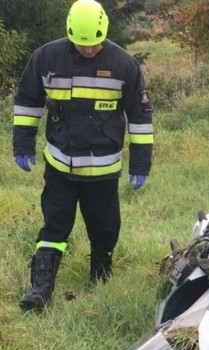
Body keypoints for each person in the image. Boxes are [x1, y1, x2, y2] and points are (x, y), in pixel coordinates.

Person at [13, 0, 154, 310]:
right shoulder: (46, 57)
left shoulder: (124, 65)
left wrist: (141, 163)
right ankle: (40, 290)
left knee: (104, 229)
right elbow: (27, 102)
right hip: (59, 165)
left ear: (104, 32)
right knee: (54, 226)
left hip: (103, 173)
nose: (89, 50)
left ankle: (100, 281)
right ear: (70, 34)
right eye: (82, 45)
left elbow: (140, 118)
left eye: (95, 44)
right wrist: (23, 145)